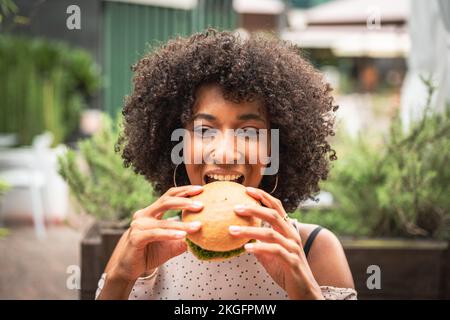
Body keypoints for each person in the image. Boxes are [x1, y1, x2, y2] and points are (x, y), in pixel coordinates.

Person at [96, 29, 356, 300]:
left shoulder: (314, 249)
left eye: (249, 131)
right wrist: (121, 277)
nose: (225, 154)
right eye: (205, 130)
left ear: (275, 147)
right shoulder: (142, 245)